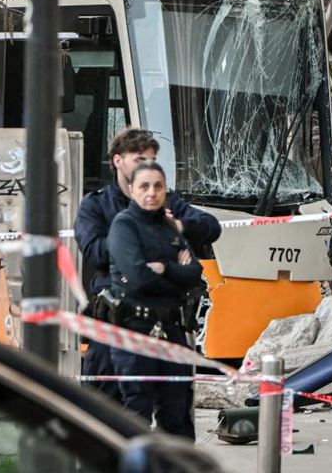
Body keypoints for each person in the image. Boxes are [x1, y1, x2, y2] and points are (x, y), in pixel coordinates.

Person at [74, 128, 221, 402]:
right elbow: (95, 253)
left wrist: (178, 226)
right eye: (140, 160)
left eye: (152, 160)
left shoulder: (166, 200)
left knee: (174, 414)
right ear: (118, 161)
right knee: (106, 409)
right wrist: (141, 241)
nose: (148, 167)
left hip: (165, 322)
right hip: (116, 324)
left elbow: (210, 227)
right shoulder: (96, 206)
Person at [106, 160, 203, 437]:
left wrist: (164, 268)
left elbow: (195, 273)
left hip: (172, 329)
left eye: (158, 186)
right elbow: (138, 277)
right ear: (132, 190)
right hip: (135, 330)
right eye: (144, 186)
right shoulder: (124, 226)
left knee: (176, 413)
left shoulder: (169, 227)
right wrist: (176, 273)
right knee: (137, 412)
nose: (152, 193)